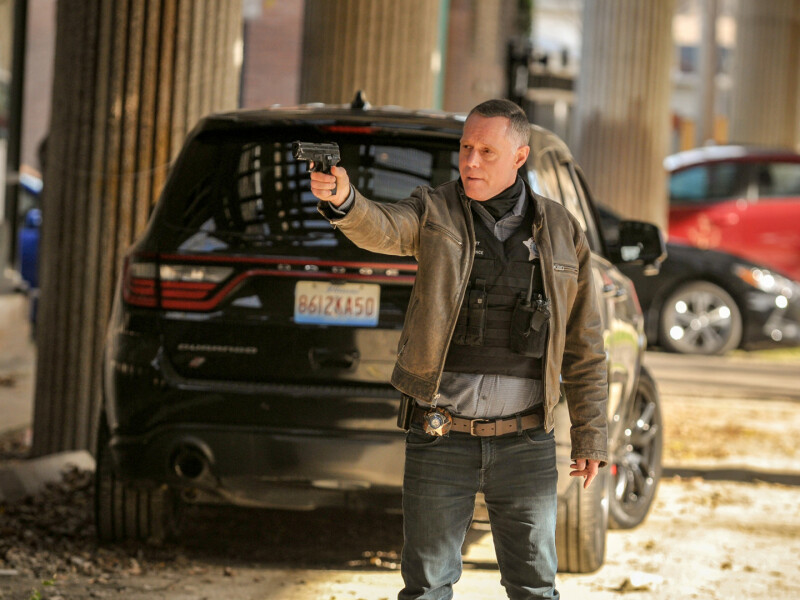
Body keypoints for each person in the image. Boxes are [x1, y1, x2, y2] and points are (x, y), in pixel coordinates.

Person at [309, 99, 607, 600]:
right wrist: (344, 200)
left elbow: (586, 344)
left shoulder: (562, 230)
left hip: (526, 441)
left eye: (487, 151)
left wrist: (590, 435)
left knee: (535, 588)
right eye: (466, 147)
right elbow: (384, 226)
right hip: (440, 436)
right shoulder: (434, 210)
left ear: (519, 158)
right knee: (427, 587)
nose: (470, 161)